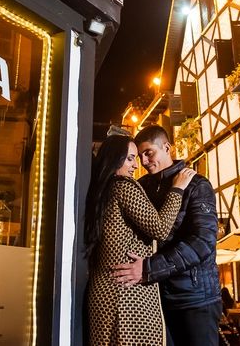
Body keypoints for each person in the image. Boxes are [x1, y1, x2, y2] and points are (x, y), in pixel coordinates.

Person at [112, 125, 222, 345]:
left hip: (195, 297)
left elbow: (202, 242)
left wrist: (149, 268)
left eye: (149, 153)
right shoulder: (140, 186)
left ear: (167, 148)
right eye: (139, 155)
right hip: (154, 298)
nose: (143, 161)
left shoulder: (197, 185)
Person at [84, 134, 197, 345]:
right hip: (129, 297)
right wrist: (177, 188)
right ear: (113, 159)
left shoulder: (98, 191)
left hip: (102, 292)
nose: (136, 165)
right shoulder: (123, 185)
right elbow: (161, 229)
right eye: (130, 158)